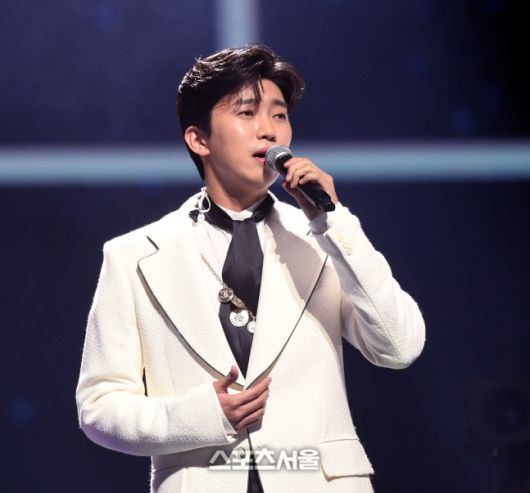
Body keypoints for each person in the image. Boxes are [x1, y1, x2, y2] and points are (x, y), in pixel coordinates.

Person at [76, 45, 425, 493]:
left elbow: (399, 347)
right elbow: (99, 407)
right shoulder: (134, 256)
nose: (269, 131)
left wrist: (333, 222)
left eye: (279, 115)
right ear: (199, 139)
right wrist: (197, 417)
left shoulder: (325, 240)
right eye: (247, 113)